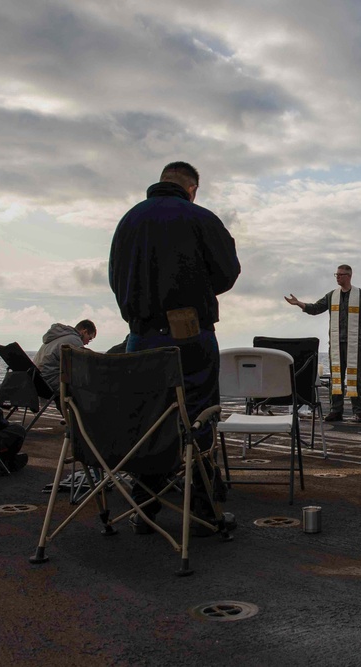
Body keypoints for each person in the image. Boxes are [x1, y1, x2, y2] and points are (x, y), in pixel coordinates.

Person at [109, 161, 240, 534]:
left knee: (150, 419)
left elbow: (115, 277)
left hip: (141, 334)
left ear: (161, 182)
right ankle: (200, 511)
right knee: (198, 418)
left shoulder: (128, 221)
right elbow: (227, 271)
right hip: (189, 331)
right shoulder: (199, 217)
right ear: (192, 188)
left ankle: (146, 508)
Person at [285, 265, 361, 423]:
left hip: (356, 345)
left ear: (349, 276)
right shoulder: (332, 296)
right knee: (336, 378)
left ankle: (358, 412)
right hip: (336, 344)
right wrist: (299, 303)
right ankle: (336, 410)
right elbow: (316, 308)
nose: (337, 277)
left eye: (340, 274)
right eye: (336, 274)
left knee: (356, 378)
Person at [32, 320, 96, 392]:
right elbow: (81, 367)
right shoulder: (74, 340)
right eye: (89, 339)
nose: (87, 343)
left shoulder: (58, 336)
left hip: (37, 379)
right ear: (84, 332)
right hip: (50, 382)